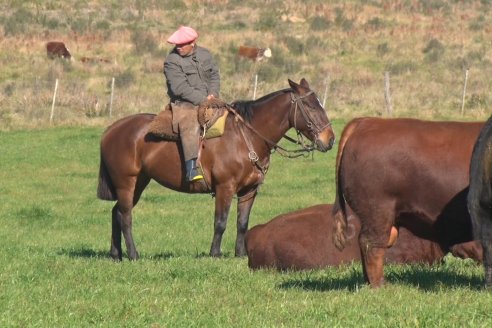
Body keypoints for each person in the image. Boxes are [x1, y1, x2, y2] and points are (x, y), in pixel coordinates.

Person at [163, 26, 220, 182]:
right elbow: (180, 88)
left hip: (210, 99)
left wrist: (213, 94)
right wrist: (203, 100)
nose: (178, 47)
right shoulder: (172, 61)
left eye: (182, 44)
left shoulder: (205, 54)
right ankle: (191, 169)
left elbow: (214, 75)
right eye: (177, 45)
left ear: (193, 42)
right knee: (189, 123)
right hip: (184, 104)